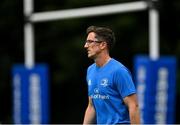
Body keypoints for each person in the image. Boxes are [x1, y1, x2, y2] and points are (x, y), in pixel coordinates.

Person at [83, 25, 140, 124]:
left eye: (90, 41)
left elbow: (133, 106)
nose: (85, 45)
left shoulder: (119, 71)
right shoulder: (90, 70)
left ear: (102, 45)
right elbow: (91, 106)